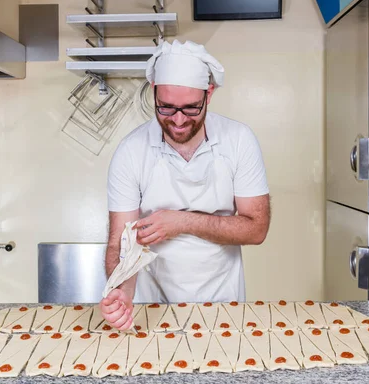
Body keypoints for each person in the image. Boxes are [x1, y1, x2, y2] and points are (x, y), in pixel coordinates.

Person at [100, 40, 271, 331]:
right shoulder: (131, 151)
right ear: (153, 90)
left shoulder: (239, 140)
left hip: (223, 306)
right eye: (166, 107)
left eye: (191, 108)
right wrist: (121, 289)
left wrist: (181, 222)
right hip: (151, 309)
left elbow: (256, 229)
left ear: (209, 94)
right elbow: (120, 240)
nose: (178, 120)